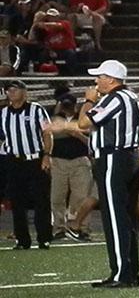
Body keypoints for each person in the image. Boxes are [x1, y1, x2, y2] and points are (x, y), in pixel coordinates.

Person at [75, 60, 139, 288]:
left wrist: (89, 100)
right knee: (126, 216)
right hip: (129, 156)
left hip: (114, 157)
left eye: (100, 77)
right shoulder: (132, 97)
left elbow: (84, 123)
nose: (96, 81)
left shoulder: (115, 98)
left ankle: (121, 274)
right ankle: (130, 272)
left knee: (114, 217)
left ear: (111, 79)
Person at [0, 80, 53, 250]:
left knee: (41, 200)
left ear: (24, 91)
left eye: (14, 89)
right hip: (14, 160)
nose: (11, 93)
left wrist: (46, 155)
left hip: (35, 159)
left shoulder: (37, 109)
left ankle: (44, 237)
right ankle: (22, 240)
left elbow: (47, 133)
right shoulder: (3, 113)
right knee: (17, 201)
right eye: (8, 90)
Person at [49, 89, 91, 240]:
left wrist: (76, 133)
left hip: (80, 160)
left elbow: (90, 142)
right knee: (57, 197)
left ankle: (80, 228)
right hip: (58, 161)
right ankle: (58, 228)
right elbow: (50, 133)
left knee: (80, 197)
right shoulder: (53, 117)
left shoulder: (83, 118)